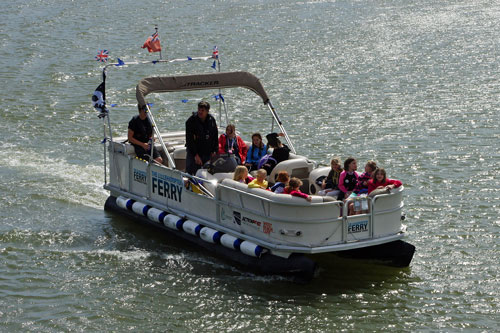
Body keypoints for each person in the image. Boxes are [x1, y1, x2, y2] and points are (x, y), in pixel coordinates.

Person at [185, 101, 218, 175]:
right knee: (191, 173)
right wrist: (196, 155)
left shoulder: (211, 120)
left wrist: (214, 150)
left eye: (202, 110)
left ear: (207, 111)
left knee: (207, 173)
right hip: (194, 152)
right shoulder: (191, 121)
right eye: (199, 109)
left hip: (207, 151)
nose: (200, 112)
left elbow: (215, 136)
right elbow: (189, 140)